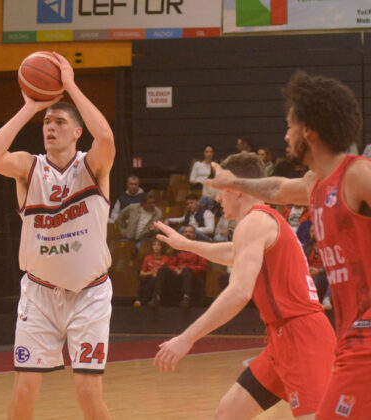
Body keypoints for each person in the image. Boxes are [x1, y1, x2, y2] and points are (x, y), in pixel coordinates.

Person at [206, 71, 371, 420]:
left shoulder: (358, 175)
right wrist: (234, 181)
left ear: (308, 132)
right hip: (350, 335)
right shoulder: (316, 183)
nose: (285, 135)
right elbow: (278, 189)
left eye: (289, 126)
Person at [155, 152, 336, 420]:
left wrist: (187, 338)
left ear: (237, 188)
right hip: (282, 337)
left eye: (221, 189)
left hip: (302, 338)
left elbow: (239, 292)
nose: (218, 198)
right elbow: (233, 252)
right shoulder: (261, 222)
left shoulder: (254, 222)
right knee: (227, 414)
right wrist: (188, 245)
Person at [0, 52, 114, 419]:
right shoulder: (29, 167)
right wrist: (30, 107)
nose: (50, 127)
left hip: (89, 295)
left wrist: (69, 85)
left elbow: (105, 136)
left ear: (77, 132)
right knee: (24, 391)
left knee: (87, 392)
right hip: (39, 296)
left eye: (59, 121)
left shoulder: (92, 166)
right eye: (46, 122)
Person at [148, 225, 208, 309]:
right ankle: (156, 298)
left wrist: (187, 269)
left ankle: (186, 298)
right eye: (185, 232)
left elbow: (203, 267)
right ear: (182, 235)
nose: (188, 234)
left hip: (193, 277)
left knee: (187, 270)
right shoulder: (177, 249)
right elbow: (170, 264)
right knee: (163, 269)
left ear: (194, 235)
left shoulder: (199, 249)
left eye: (190, 232)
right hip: (178, 276)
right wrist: (175, 269)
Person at [134, 239, 171, 308]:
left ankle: (142, 301)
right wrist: (151, 273)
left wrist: (157, 274)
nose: (156, 247)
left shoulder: (166, 258)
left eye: (158, 245)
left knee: (156, 279)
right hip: (149, 278)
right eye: (154, 245)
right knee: (151, 279)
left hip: (161, 281)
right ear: (152, 247)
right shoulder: (148, 258)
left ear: (162, 247)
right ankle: (145, 300)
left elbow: (167, 272)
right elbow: (141, 273)